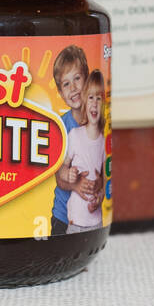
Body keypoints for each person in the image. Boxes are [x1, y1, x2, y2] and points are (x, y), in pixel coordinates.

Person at [50, 44, 103, 236]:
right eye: (66, 84)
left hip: (91, 216)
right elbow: (58, 175)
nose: (73, 88)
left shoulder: (98, 121)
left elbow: (104, 167)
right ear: (61, 93)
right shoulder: (63, 127)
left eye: (77, 79)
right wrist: (73, 183)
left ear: (87, 78)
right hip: (63, 217)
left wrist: (99, 187)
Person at [65, 70, 107, 232]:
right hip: (76, 218)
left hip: (96, 221)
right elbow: (63, 167)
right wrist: (70, 176)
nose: (95, 103)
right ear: (84, 100)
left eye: (99, 98)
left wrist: (100, 196)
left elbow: (105, 179)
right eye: (91, 98)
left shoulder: (105, 140)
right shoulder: (75, 135)